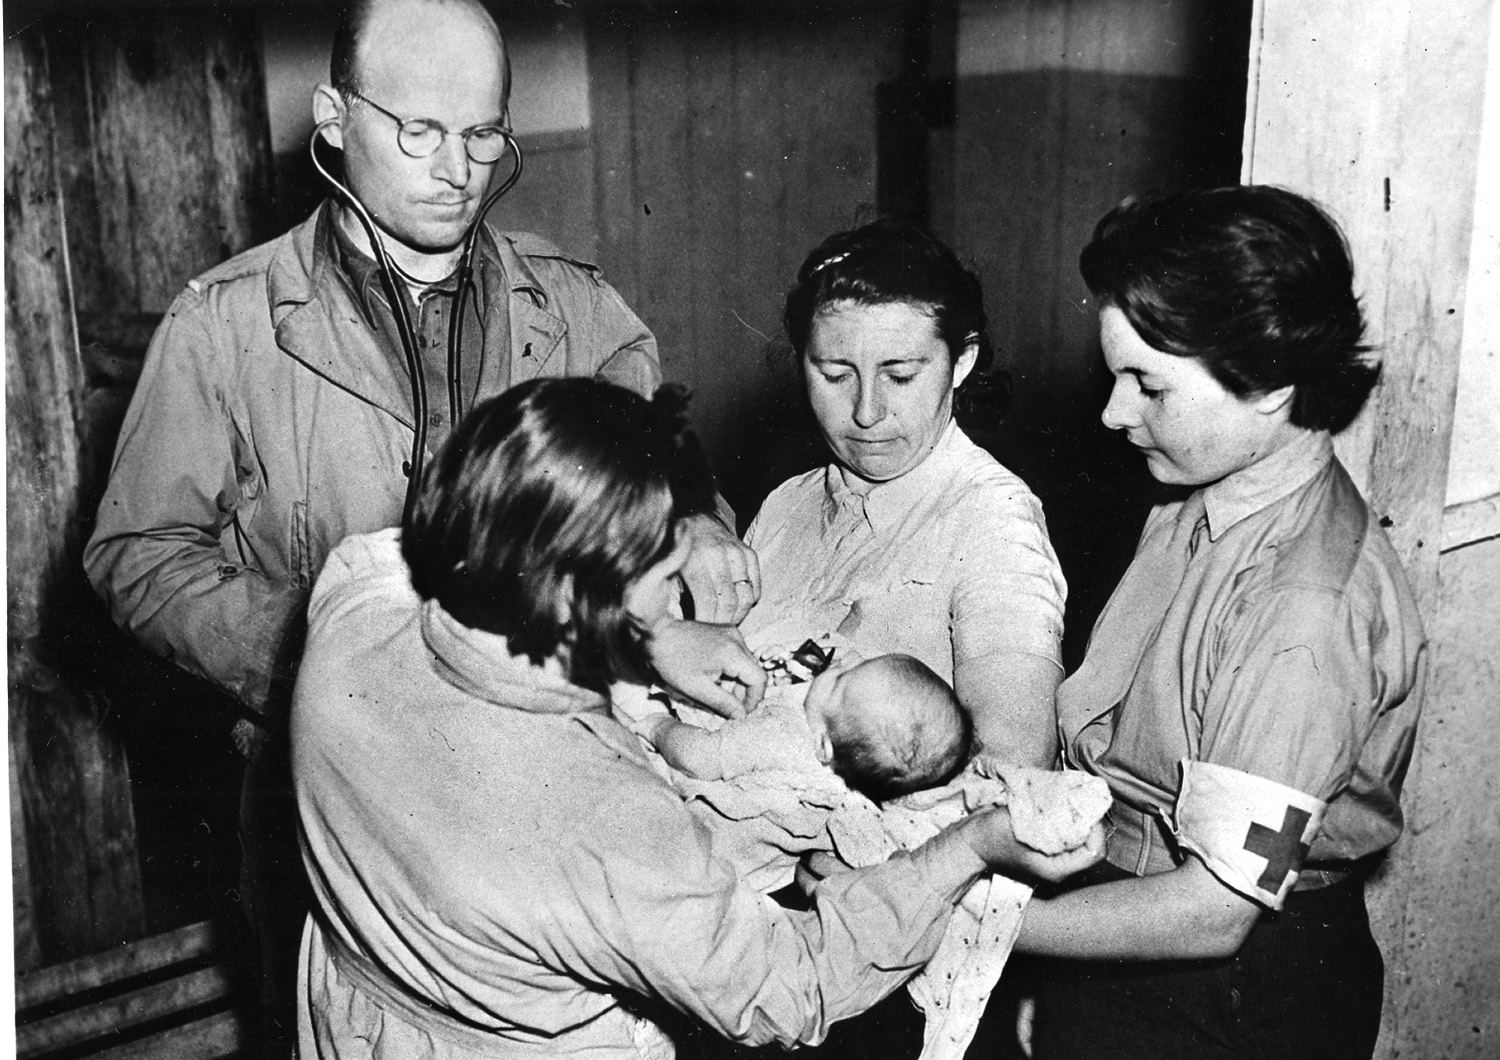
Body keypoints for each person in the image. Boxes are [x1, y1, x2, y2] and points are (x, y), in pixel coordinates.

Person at [81, 0, 756, 1047]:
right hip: (338, 797)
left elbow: (662, 474)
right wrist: (314, 654)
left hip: (547, 778)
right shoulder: (224, 322)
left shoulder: (575, 306)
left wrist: (703, 523)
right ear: (336, 116)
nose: (459, 169)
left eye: (483, 134)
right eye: (421, 131)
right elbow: (136, 553)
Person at [291, 377, 1100, 1059]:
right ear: (587, 597)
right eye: (668, 574)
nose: (676, 590)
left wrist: (653, 639)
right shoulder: (607, 818)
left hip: (349, 1015)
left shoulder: (353, 603)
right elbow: (790, 991)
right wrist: (972, 844)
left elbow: (409, 553)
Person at [1017, 185, 1427, 1060]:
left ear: (1271, 382)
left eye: (1148, 385)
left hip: (1227, 990)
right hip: (1125, 927)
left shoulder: (1301, 609)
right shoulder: (1201, 492)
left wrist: (977, 926)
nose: (1113, 413)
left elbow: (1211, 914)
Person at [740, 217, 1066, 769]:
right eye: (835, 374)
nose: (867, 413)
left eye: (901, 375)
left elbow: (1015, 761)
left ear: (961, 361)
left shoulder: (991, 518)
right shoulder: (784, 504)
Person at [644, 648, 973, 804]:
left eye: (840, 679)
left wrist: (658, 726)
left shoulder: (783, 737)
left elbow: (700, 758)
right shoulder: (835, 730)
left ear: (822, 746)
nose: (843, 664)